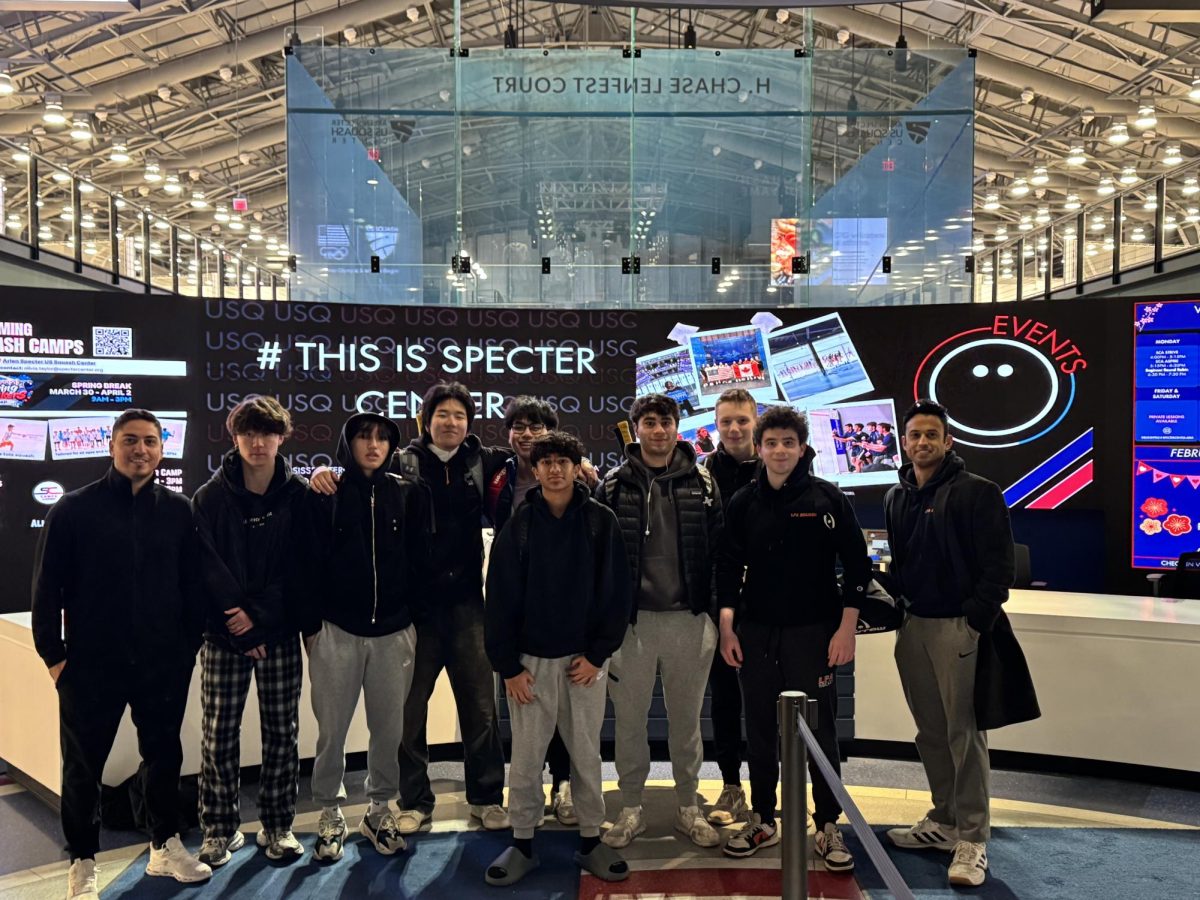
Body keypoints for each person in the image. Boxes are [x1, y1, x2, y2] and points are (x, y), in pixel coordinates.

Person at [310, 381, 510, 833]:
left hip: (467, 608)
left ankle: (486, 797)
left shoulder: (484, 461)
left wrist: (581, 464)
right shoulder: (401, 461)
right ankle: (414, 800)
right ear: (426, 419)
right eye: (443, 414)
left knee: (480, 708)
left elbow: (534, 460)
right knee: (407, 713)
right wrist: (323, 470)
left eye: (460, 415)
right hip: (415, 611)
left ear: (469, 423)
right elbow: (356, 473)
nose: (451, 423)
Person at [32, 409, 210, 900]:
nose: (141, 450)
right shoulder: (72, 509)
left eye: (150, 442)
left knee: (163, 756)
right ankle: (83, 860)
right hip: (90, 666)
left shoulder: (178, 511)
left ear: (161, 448)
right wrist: (55, 657)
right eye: (130, 440)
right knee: (82, 766)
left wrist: (186, 648)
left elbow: (193, 588)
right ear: (112, 446)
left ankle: (164, 844)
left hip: (161, 663)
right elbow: (46, 591)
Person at [716, 405, 870, 870]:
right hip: (756, 633)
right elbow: (726, 567)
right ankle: (763, 817)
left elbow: (858, 568)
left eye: (788, 442)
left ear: (802, 449)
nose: (780, 450)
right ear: (759, 450)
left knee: (821, 732)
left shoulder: (829, 499)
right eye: (771, 443)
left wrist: (846, 629)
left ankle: (827, 825)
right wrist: (727, 627)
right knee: (760, 728)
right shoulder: (743, 501)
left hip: (815, 634)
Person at [483, 432, 632, 886]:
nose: (553, 469)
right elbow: (500, 599)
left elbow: (617, 592)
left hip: (584, 663)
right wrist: (508, 666)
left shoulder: (599, 521)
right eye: (544, 461)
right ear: (536, 468)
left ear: (576, 465)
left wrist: (597, 655)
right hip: (529, 663)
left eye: (562, 461)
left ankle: (591, 839)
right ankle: (522, 841)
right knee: (526, 758)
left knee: (586, 754)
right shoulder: (520, 525)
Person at [883, 399, 1014, 888]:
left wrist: (973, 624)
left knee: (965, 737)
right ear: (904, 440)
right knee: (931, 733)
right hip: (913, 627)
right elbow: (900, 565)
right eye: (914, 434)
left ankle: (973, 838)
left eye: (930, 435)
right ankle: (944, 820)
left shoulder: (978, 493)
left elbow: (998, 571)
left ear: (948, 440)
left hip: (959, 629)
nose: (921, 443)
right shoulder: (898, 495)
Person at [597, 393, 723, 851]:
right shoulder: (613, 485)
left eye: (666, 421)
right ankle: (631, 808)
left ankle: (689, 805)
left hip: (688, 622)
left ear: (676, 427)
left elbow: (719, 553)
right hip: (632, 626)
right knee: (628, 721)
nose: (658, 430)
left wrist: (711, 615)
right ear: (637, 428)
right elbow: (599, 559)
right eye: (648, 422)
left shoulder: (703, 483)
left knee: (685, 722)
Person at [302, 412, 428, 862]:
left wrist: (412, 619)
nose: (373, 445)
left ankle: (379, 809)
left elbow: (421, 562)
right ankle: (330, 813)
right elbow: (308, 563)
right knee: (331, 731)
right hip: (336, 630)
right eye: (363, 437)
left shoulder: (409, 493)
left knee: (388, 728)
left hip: (395, 632)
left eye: (381, 438)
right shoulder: (325, 494)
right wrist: (311, 628)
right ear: (348, 443)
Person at [193, 396, 308, 866]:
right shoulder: (209, 497)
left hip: (278, 632)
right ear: (234, 436)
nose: (257, 443)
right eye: (249, 433)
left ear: (282, 438)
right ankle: (219, 829)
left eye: (267, 433)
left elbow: (302, 569)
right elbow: (205, 569)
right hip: (223, 636)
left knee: (283, 733)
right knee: (219, 735)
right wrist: (240, 622)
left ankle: (278, 825)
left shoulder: (298, 495)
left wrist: (259, 617)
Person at [701, 389, 760, 827]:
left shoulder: (785, 464)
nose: (734, 429)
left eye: (742, 420)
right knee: (724, 699)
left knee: (769, 702)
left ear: (754, 420)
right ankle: (731, 785)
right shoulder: (703, 473)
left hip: (772, 604)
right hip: (720, 601)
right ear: (716, 425)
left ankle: (770, 788)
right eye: (726, 422)